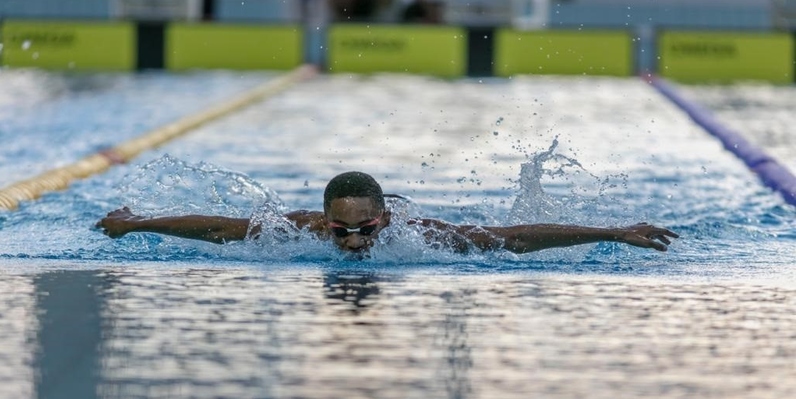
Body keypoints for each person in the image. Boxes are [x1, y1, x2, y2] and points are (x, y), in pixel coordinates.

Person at [97, 171, 678, 254]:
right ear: (324, 220)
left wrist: (614, 232)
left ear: (386, 219)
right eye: (340, 228)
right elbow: (216, 228)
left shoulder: (420, 236)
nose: (351, 239)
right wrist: (134, 222)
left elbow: (513, 238)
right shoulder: (299, 232)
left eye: (364, 228)